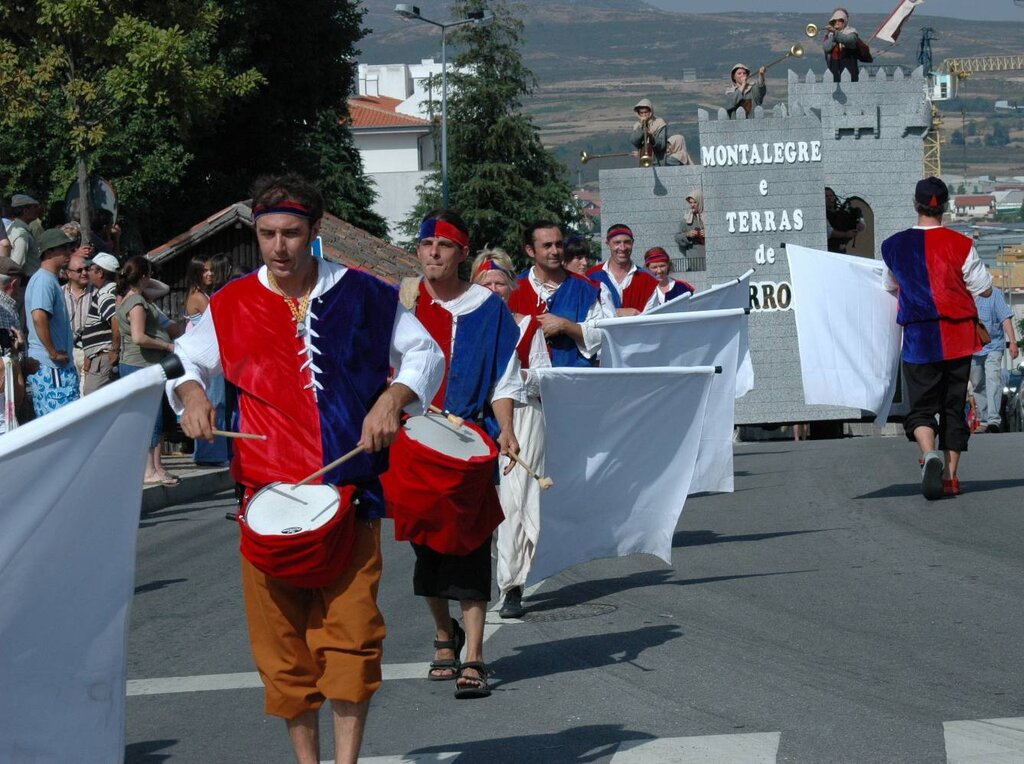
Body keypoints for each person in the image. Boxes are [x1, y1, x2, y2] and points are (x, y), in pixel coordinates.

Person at [171, 173, 443, 764]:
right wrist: (193, 396)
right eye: (267, 234)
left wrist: (393, 399)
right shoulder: (232, 301)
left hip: (349, 493)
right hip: (265, 498)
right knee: (282, 652)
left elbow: (424, 353)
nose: (278, 247)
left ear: (314, 233)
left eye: (291, 233)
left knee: (350, 642)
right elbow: (190, 359)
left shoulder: (368, 294)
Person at [399, 209, 523, 700]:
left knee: (470, 543)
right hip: (416, 439)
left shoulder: (488, 309)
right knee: (425, 542)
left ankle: (474, 653)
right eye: (426, 243)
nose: (433, 252)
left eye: (444, 245)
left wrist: (508, 429)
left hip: (472, 438)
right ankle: (442, 632)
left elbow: (504, 376)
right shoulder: (405, 305)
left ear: (461, 254)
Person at [881, 177, 993, 500]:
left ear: (914, 204)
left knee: (921, 408)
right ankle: (951, 476)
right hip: (958, 338)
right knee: (954, 407)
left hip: (919, 340)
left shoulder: (893, 246)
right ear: (944, 207)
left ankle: (928, 453)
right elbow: (984, 288)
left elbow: (889, 286)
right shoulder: (962, 246)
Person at [471, 248, 550, 619]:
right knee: (482, 500)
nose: (494, 289)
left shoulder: (529, 326)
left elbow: (544, 377)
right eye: (486, 283)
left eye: (500, 282)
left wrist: (514, 378)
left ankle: (512, 584)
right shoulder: (467, 325)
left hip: (522, 416)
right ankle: (487, 572)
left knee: (515, 501)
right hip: (475, 417)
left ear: (511, 286)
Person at [116, 256, 184, 486]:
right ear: (143, 276)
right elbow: (139, 336)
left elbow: (162, 288)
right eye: (147, 274)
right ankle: (148, 470)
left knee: (153, 418)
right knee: (149, 419)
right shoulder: (136, 302)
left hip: (142, 365)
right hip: (140, 365)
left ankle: (154, 467)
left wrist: (141, 276)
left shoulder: (133, 296)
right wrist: (167, 345)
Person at [507, 220, 613, 367]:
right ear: (530, 250)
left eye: (559, 244)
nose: (555, 251)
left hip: (573, 381)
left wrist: (565, 326)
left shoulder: (584, 288)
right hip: (527, 382)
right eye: (547, 246)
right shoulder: (513, 288)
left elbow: (601, 336)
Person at [24, 228, 78, 417]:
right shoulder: (43, 281)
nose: (68, 252)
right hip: (51, 367)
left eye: (69, 247)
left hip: (56, 366)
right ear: (48, 252)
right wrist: (53, 353)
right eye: (62, 248)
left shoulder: (49, 280)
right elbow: (39, 317)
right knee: (59, 424)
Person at [182, 255, 230, 464]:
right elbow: (221, 318)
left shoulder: (203, 295)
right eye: (204, 271)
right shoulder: (198, 297)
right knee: (213, 402)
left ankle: (215, 452)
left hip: (212, 355)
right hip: (207, 357)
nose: (209, 274)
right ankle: (209, 453)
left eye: (211, 270)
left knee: (217, 402)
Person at [970, 276, 1019, 433]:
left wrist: (1013, 342)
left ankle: (993, 420)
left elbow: (1005, 318)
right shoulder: (965, 293)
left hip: (993, 345)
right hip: (973, 348)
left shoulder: (994, 294)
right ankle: (983, 420)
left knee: (993, 379)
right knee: (977, 383)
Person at [587, 224, 660, 316]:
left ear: (632, 243)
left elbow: (651, 319)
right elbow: (587, 314)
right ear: (608, 244)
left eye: (627, 242)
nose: (622, 248)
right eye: (617, 243)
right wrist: (617, 312)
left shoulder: (648, 280)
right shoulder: (591, 276)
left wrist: (636, 314)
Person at [80, 252, 121, 394]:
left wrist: (114, 351)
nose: (86, 272)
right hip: (99, 357)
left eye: (90, 269)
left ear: (100, 273)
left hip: (104, 357)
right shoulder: (112, 291)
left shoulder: (105, 294)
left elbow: (115, 320)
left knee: (91, 398)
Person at [62, 250, 93, 392]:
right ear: (68, 273)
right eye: (79, 270)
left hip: (90, 351)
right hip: (68, 351)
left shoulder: (97, 292)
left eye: (87, 269)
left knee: (87, 397)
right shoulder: (59, 293)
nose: (84, 273)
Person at [823, 7, 862, 83]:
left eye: (840, 20)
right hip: (834, 68)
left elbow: (849, 40)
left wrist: (836, 33)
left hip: (850, 68)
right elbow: (826, 48)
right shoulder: (830, 35)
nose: (837, 22)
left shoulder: (851, 32)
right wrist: (834, 34)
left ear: (845, 21)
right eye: (835, 20)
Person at [7, 194, 43, 276]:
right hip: (25, 283)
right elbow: (16, 265)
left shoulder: (13, 227)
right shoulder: (22, 234)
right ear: (25, 211)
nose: (37, 210)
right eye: (34, 207)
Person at [825, 187, 865, 254]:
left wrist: (860, 221)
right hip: (829, 251)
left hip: (842, 251)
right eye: (826, 196)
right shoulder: (822, 214)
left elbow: (856, 215)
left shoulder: (841, 212)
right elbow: (829, 232)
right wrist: (846, 234)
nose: (829, 198)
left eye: (831, 196)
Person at [675, 190, 707, 271]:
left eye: (695, 202)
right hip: (695, 258)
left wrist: (708, 234)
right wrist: (687, 235)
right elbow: (677, 237)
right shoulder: (687, 219)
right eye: (690, 203)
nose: (692, 205)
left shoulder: (709, 217)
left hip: (710, 256)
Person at [630, 99, 667, 166]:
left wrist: (651, 136)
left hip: (657, 162)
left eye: (646, 112)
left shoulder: (660, 123)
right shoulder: (637, 125)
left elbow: (662, 145)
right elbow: (634, 141)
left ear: (650, 111)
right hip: (644, 162)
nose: (644, 115)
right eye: (641, 113)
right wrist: (641, 129)